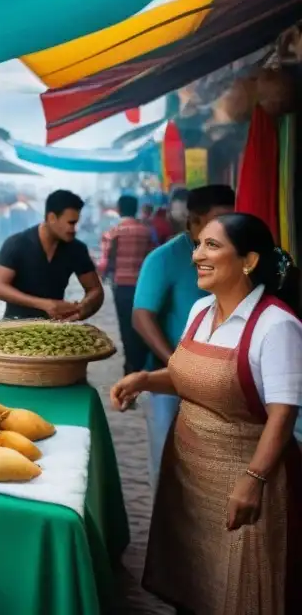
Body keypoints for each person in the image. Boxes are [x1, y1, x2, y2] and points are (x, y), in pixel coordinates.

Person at [112, 213, 302, 613]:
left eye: (212, 246)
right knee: (194, 582)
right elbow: (190, 376)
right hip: (188, 477)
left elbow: (282, 416)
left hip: (243, 482)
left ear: (248, 261)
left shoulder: (276, 326)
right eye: (198, 244)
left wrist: (253, 481)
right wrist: (145, 379)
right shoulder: (200, 311)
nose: (198, 254)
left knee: (242, 588)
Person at [133, 184, 236, 492]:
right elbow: (141, 317)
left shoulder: (236, 258)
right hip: (170, 384)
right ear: (193, 221)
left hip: (225, 382)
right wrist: (176, 362)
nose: (227, 228)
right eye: (219, 220)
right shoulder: (164, 258)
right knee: (169, 467)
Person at [0, 189, 104, 321]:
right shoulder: (17, 244)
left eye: (76, 223)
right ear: (52, 218)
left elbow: (95, 290)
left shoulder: (76, 249)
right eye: (71, 223)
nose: (74, 229)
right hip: (14, 323)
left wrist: (83, 308)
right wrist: (44, 304)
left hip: (55, 326)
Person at [97, 195, 153, 375]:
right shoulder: (145, 231)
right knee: (141, 322)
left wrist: (101, 273)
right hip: (143, 285)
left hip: (121, 285)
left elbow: (105, 263)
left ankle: (130, 366)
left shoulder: (113, 232)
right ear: (135, 208)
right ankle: (140, 363)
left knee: (125, 325)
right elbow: (152, 258)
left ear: (119, 209)